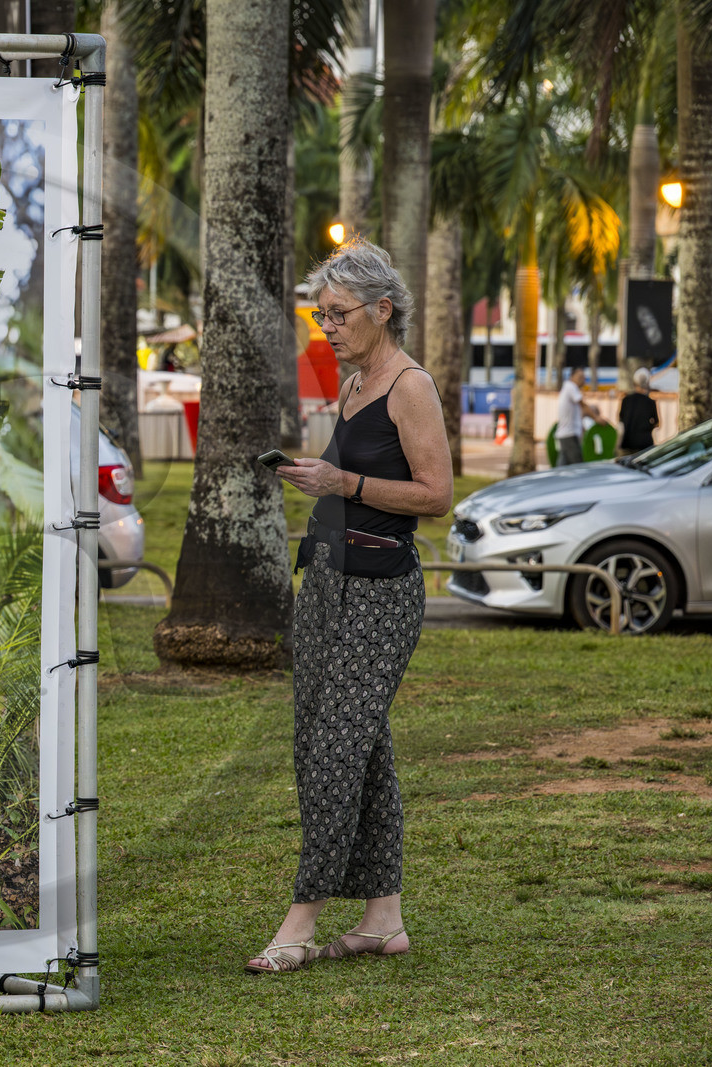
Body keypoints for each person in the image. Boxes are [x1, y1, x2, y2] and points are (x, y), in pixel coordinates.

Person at [254, 237, 453, 974]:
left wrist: (346, 487)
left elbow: (436, 496)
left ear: (383, 308)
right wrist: (319, 475)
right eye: (319, 313)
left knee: (334, 749)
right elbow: (352, 474)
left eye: (337, 314)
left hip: (381, 592)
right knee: (352, 746)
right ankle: (383, 920)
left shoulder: (409, 386)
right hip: (327, 583)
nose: (326, 327)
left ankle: (301, 921)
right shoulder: (352, 385)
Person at [555, 367, 607, 466]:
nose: (582, 380)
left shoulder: (567, 388)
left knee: (563, 465)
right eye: (580, 377)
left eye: (583, 377)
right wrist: (596, 418)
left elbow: (581, 411)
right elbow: (582, 404)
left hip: (567, 434)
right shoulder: (571, 387)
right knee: (577, 466)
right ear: (571, 377)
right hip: (569, 434)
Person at [618, 368, 659, 457]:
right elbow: (657, 423)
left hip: (627, 443)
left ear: (634, 383)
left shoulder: (626, 400)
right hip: (645, 444)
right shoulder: (650, 402)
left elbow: (620, 418)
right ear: (648, 383)